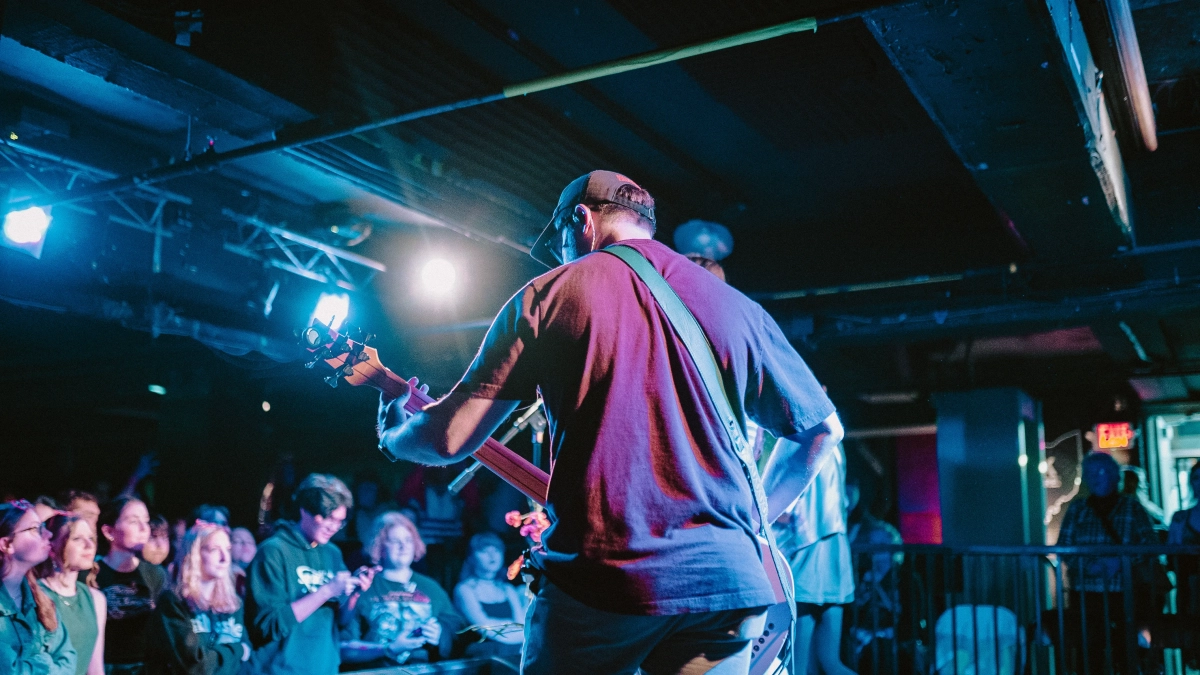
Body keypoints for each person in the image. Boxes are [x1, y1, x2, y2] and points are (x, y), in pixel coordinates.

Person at [377, 170, 842, 674]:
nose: (561, 256)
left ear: (580, 220)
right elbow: (822, 432)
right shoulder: (737, 307)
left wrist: (393, 436)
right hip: (727, 586)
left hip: (605, 583)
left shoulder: (548, 296)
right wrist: (753, 517)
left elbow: (449, 437)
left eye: (558, 242)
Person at [244, 473, 377, 674]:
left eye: (339, 521)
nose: (333, 527)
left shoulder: (332, 553)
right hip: (279, 669)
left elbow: (341, 622)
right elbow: (268, 625)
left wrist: (354, 594)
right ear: (305, 510)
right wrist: (326, 591)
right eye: (328, 518)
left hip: (323, 667)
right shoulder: (273, 551)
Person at [1057, 451, 1158, 673]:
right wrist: (1088, 566)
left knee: (1125, 649)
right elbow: (1064, 546)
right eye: (1090, 473)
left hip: (1125, 592)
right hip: (1086, 593)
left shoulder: (1132, 507)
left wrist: (1121, 562)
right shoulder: (1078, 509)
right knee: (1088, 651)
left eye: (1101, 472)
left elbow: (1150, 545)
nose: (1095, 478)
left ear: (1113, 475)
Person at [339, 512, 462, 670]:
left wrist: (440, 633)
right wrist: (388, 649)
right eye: (395, 541)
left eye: (408, 540)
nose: (403, 547)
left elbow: (457, 629)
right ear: (380, 546)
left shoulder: (431, 588)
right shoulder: (364, 587)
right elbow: (344, 647)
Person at [774, 445, 856, 675]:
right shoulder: (836, 443)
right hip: (834, 545)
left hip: (807, 546)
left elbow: (788, 508)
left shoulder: (802, 437)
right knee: (829, 660)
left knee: (797, 665)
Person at [145, 523, 250, 675]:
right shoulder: (174, 602)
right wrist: (237, 650)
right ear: (195, 555)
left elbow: (247, 655)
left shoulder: (233, 603)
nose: (224, 558)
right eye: (214, 550)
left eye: (227, 549)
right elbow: (195, 666)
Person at [0, 500, 77, 675]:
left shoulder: (40, 598)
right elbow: (9, 671)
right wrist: (46, 662)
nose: (48, 534)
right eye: (36, 529)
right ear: (6, 544)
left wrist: (32, 666)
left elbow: (68, 660)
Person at [96, 496, 169, 675]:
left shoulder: (155, 573)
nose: (144, 528)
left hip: (145, 667)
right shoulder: (93, 573)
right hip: (107, 666)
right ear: (109, 531)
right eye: (133, 521)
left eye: (146, 521)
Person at [36, 513, 107, 675]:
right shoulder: (37, 594)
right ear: (52, 547)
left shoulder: (95, 598)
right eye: (77, 539)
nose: (89, 545)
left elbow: (96, 668)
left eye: (91, 537)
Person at [453, 532, 525, 657]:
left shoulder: (507, 589)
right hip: (483, 655)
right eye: (484, 551)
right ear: (471, 557)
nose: (492, 556)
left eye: (496, 550)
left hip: (513, 649)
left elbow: (522, 625)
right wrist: (513, 629)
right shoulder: (464, 589)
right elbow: (484, 627)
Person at [1167, 463, 1200, 668]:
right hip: (1190, 596)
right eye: (1196, 478)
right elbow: (1172, 557)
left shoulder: (1181, 519)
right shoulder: (1180, 519)